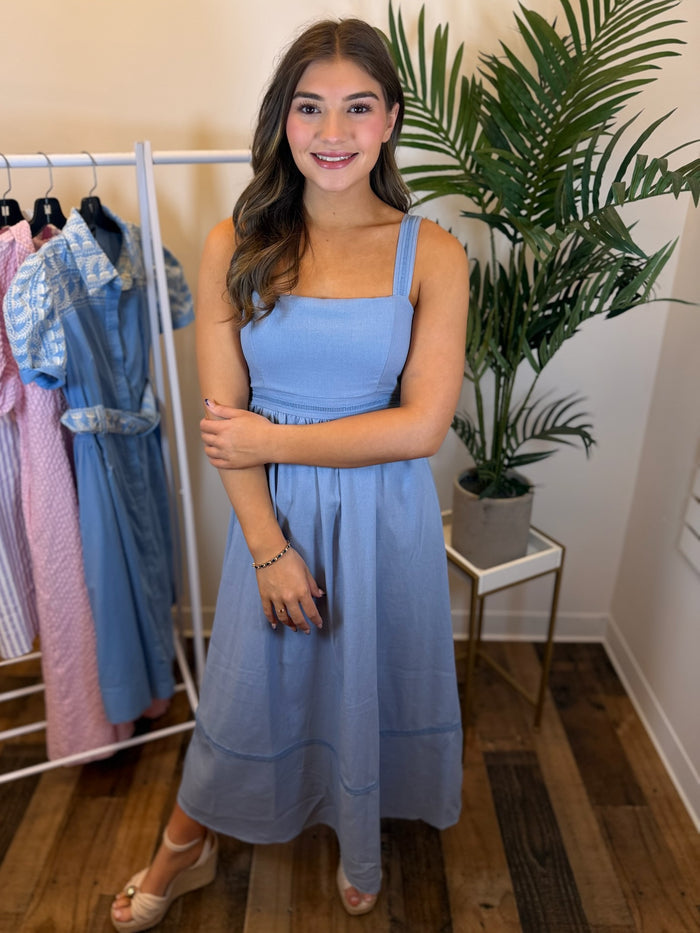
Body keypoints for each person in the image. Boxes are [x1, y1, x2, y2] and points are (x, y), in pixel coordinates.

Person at [111, 16, 468, 930]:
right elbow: (225, 427)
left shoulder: (431, 252)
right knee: (247, 686)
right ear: (283, 120)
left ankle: (361, 836)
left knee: (369, 677)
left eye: (357, 107)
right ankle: (183, 848)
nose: (333, 132)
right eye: (310, 108)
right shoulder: (238, 239)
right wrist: (269, 549)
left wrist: (272, 441)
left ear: (390, 119)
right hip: (270, 516)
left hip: (384, 514)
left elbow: (421, 425)